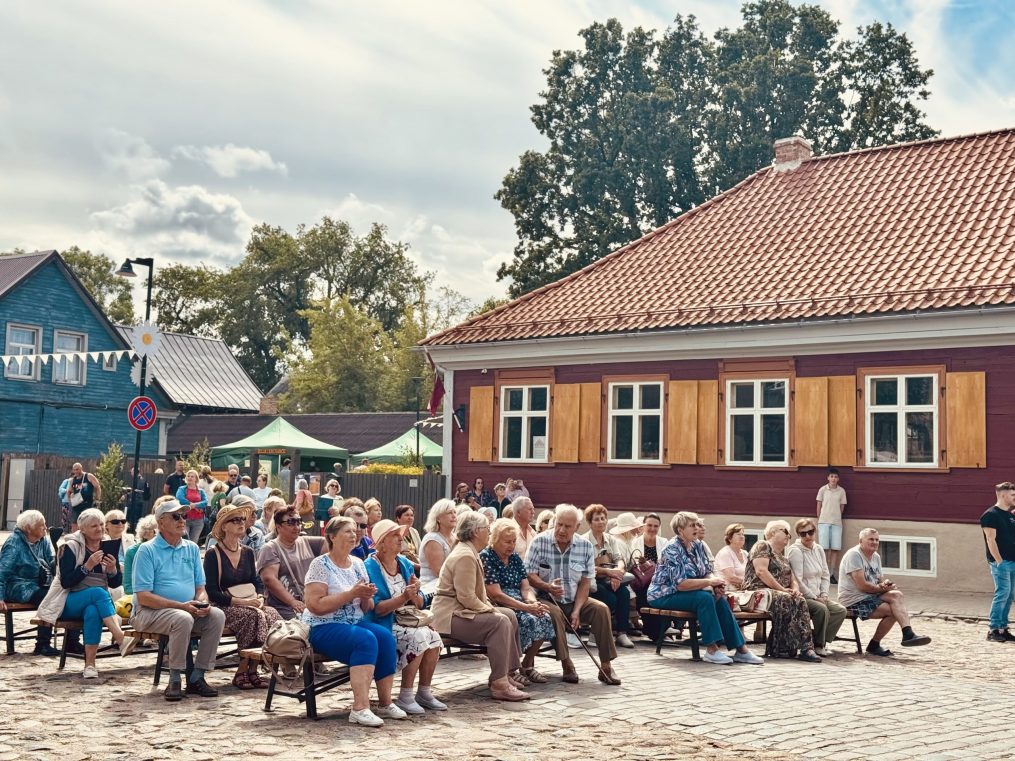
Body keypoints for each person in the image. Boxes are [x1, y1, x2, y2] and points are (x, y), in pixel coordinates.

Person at [303, 516, 404, 727]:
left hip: (353, 622)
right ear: (331, 536)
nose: (354, 534)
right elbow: (315, 605)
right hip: (323, 625)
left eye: (356, 530)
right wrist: (351, 594)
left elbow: (368, 608)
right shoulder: (320, 564)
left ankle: (385, 703)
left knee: (384, 637)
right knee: (365, 639)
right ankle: (360, 708)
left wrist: (366, 595)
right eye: (348, 531)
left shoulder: (358, 563)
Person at [131, 499, 225, 701]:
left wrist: (201, 602)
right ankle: (174, 678)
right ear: (161, 522)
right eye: (176, 516)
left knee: (216, 615)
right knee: (182, 618)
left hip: (185, 610)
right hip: (148, 612)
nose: (182, 520)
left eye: (184, 516)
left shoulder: (191, 548)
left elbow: (201, 587)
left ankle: (197, 677)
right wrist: (181, 606)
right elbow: (144, 597)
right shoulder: (147, 550)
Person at [432, 512, 530, 701]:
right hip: (449, 616)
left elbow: (472, 598)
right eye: (487, 528)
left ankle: (508, 673)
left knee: (509, 615)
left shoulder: (469, 551)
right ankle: (499, 684)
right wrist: (491, 610)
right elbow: (467, 597)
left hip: (460, 610)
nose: (490, 531)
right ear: (477, 532)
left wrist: (491, 609)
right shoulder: (465, 556)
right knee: (499, 622)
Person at [647, 511, 763, 666]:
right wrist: (710, 583)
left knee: (719, 599)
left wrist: (715, 584)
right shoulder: (671, 549)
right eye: (692, 525)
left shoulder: (698, 545)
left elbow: (708, 571)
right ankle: (712, 650)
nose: (697, 528)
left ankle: (741, 650)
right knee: (704, 598)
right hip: (663, 595)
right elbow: (681, 584)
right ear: (681, 530)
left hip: (687, 592)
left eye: (697, 524)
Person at [525, 503, 621, 685]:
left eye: (567, 526)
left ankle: (606, 666)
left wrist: (577, 610)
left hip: (574, 598)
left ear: (577, 527)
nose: (561, 530)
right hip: (547, 598)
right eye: (559, 524)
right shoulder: (539, 541)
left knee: (601, 609)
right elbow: (529, 574)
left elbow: (586, 582)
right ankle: (566, 663)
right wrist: (546, 586)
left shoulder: (584, 546)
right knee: (553, 613)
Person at [364, 519, 446, 714]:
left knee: (433, 636)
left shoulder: (403, 563)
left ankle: (424, 692)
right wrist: (403, 596)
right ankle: (405, 695)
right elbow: (377, 610)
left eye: (401, 535)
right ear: (381, 542)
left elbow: (417, 603)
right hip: (382, 622)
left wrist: (415, 592)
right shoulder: (371, 567)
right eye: (394, 535)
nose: (400, 539)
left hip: (406, 619)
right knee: (417, 636)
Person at [37, 508, 130, 678]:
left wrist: (112, 570)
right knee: (98, 593)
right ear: (83, 529)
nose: (100, 529)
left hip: (95, 603)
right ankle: (121, 637)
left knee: (93, 611)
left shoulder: (108, 545)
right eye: (94, 526)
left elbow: (116, 584)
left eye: (102, 524)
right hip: (67, 601)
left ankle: (90, 666)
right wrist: (87, 566)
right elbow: (66, 582)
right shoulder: (70, 547)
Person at [203, 503, 282, 689]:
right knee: (251, 616)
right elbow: (212, 590)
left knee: (272, 614)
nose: (241, 523)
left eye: (242, 519)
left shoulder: (248, 552)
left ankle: (253, 669)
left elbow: (257, 581)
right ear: (224, 526)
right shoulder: (213, 555)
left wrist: (261, 597)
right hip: (224, 604)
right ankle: (242, 670)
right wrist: (240, 601)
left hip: (250, 602)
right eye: (235, 520)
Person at [481, 518, 563, 683]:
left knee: (544, 617)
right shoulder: (487, 557)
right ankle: (511, 669)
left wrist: (532, 602)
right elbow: (495, 594)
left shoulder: (515, 559)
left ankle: (526, 665)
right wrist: (526, 608)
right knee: (523, 620)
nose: (511, 546)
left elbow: (525, 587)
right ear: (495, 540)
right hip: (501, 602)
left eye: (514, 541)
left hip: (520, 600)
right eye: (507, 542)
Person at [837, 528, 931, 656]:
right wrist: (882, 588)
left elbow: (879, 580)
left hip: (870, 595)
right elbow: (862, 586)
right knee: (894, 611)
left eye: (877, 540)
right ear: (861, 541)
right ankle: (875, 644)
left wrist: (887, 584)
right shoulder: (854, 555)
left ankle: (908, 633)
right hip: (854, 599)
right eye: (871, 539)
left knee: (897, 595)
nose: (874, 542)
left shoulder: (876, 557)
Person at [741, 520, 821, 662]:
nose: (788, 536)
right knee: (787, 599)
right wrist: (783, 589)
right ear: (773, 532)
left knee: (798, 599)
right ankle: (785, 647)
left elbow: (793, 579)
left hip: (777, 594)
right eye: (785, 532)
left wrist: (795, 590)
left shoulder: (783, 557)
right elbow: (761, 571)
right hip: (757, 592)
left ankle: (804, 648)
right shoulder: (762, 546)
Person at [0, 510, 59, 655]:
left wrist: (59, 555)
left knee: (68, 592)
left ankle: (71, 641)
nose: (45, 528)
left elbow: (51, 563)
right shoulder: (14, 543)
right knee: (49, 598)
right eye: (41, 526)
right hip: (18, 586)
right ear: (28, 528)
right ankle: (42, 644)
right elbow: (2, 571)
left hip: (40, 583)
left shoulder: (43, 540)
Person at [787, 518, 847, 657]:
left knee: (840, 611)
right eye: (803, 534)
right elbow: (798, 580)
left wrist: (824, 594)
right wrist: (814, 597)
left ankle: (816, 639)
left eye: (811, 532)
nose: (808, 536)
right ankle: (819, 645)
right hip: (803, 596)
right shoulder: (796, 551)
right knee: (822, 609)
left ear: (815, 532)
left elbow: (825, 575)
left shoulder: (818, 549)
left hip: (819, 595)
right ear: (798, 535)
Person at [257, 506, 327, 619]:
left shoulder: (308, 542)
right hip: (283, 608)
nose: (296, 527)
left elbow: (333, 544)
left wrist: (334, 518)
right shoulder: (270, 548)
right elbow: (269, 580)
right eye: (290, 522)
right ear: (278, 527)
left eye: (298, 522)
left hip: (310, 604)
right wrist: (292, 602)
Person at [582, 504, 635, 649]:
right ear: (590, 522)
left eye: (603, 518)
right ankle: (598, 631)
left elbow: (619, 559)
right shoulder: (584, 541)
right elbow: (587, 568)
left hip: (610, 579)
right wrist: (609, 572)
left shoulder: (611, 540)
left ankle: (622, 633)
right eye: (597, 519)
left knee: (623, 593)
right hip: (590, 581)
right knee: (609, 597)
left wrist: (617, 573)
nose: (601, 522)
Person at [981, 482, 1015, 642]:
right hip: (1001, 563)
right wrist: (999, 561)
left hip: (1013, 560)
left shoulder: (1009, 515)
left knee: (1009, 595)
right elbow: (990, 539)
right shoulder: (990, 515)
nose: (1014, 497)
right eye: (1013, 495)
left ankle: (1003, 629)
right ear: (1003, 495)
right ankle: (994, 630)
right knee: (1002, 594)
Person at [419, 499, 457, 593]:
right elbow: (439, 572)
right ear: (438, 518)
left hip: (452, 583)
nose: (454, 516)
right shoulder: (433, 539)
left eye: (455, 512)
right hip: (432, 585)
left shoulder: (455, 537)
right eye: (449, 513)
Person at [816, 468, 847, 582]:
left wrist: (836, 516)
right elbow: (819, 505)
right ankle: (823, 573)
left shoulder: (841, 491)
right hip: (823, 522)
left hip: (836, 523)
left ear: (838, 479)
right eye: (831, 476)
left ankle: (831, 573)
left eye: (835, 477)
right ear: (828, 478)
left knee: (835, 549)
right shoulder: (823, 490)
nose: (833, 479)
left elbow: (842, 507)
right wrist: (820, 518)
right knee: (823, 548)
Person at [124, 515, 157, 596]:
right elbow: (128, 586)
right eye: (155, 532)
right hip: (139, 596)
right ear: (144, 534)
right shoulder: (132, 552)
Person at [175, 469, 209, 544]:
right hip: (184, 519)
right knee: (184, 541)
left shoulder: (201, 491)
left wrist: (195, 505)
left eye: (192, 476)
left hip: (198, 521)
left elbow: (205, 502)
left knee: (193, 543)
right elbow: (180, 499)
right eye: (188, 476)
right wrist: (191, 505)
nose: (190, 478)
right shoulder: (182, 489)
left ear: (196, 479)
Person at [67, 463, 101, 531]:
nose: (75, 471)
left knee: (88, 522)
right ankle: (75, 539)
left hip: (87, 504)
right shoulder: (72, 480)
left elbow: (97, 487)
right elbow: (69, 491)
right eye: (74, 470)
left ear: (81, 469)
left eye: (77, 469)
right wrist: (70, 501)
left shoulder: (88, 476)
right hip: (76, 505)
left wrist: (98, 499)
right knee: (74, 523)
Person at [713, 523, 749, 589]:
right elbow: (731, 578)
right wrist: (749, 583)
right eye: (738, 534)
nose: (742, 536)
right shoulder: (725, 553)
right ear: (730, 538)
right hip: (727, 591)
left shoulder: (745, 554)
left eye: (742, 534)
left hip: (743, 589)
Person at [395, 505, 422, 569]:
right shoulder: (394, 532)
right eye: (407, 515)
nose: (410, 518)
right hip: (403, 567)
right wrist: (416, 565)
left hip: (418, 565)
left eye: (412, 515)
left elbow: (421, 551)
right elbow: (397, 556)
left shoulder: (414, 531)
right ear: (398, 518)